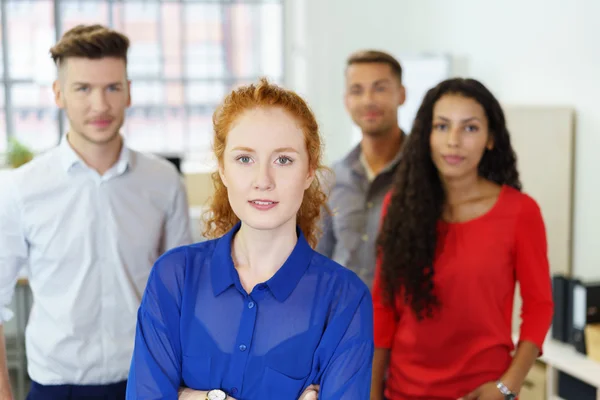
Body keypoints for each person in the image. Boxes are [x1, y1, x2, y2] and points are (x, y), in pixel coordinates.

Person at [126, 78, 374, 400]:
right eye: (245, 159)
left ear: (309, 171)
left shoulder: (345, 299)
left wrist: (190, 395)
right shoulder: (174, 277)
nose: (263, 181)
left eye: (283, 160)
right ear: (223, 169)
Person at [0, 24, 192, 400]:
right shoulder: (21, 189)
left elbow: (182, 296)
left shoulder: (163, 181)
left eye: (112, 88)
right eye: (83, 88)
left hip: (148, 381)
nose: (100, 105)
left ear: (129, 92)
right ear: (59, 94)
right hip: (56, 387)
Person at [371, 78, 554, 400]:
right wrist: (371, 392)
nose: (453, 141)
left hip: (484, 391)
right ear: (427, 135)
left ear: (490, 138)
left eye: (469, 128)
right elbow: (384, 306)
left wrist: (508, 386)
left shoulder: (520, 213)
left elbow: (539, 306)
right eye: (442, 126)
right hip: (403, 391)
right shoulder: (398, 205)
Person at [317, 50, 406, 287]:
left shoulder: (426, 174)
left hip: (405, 321)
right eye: (357, 90)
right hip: (342, 318)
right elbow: (319, 262)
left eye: (380, 88)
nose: (368, 100)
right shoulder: (331, 179)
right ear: (346, 100)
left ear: (401, 94)